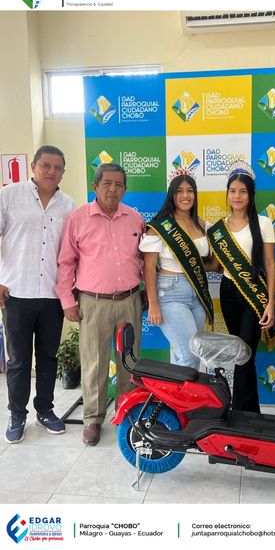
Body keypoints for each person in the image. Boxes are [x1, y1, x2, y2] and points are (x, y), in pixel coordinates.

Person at [55, 163, 144, 446]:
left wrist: (145, 292)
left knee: (129, 361)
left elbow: (142, 259)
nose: (113, 189)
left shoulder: (135, 218)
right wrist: (67, 302)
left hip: (130, 300)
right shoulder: (78, 218)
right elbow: (65, 263)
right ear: (95, 186)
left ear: (125, 189)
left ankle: (125, 413)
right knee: (94, 362)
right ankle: (93, 419)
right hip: (93, 303)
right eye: (107, 183)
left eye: (119, 184)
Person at [1, 145, 76, 444]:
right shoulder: (9, 196)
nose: (51, 171)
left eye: (58, 168)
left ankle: (45, 410)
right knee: (19, 360)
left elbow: (70, 252)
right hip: (16, 292)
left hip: (52, 295)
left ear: (63, 173)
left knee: (48, 357)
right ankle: (17, 414)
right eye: (46, 165)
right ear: (34, 166)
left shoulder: (68, 206)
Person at [207, 161, 275, 413]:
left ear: (251, 195)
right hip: (228, 291)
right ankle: (250, 412)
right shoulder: (219, 228)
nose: (237, 196)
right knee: (240, 353)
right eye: (233, 191)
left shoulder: (263, 223)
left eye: (243, 191)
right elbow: (216, 265)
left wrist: (271, 302)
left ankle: (241, 413)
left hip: (254, 293)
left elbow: (269, 265)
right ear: (227, 194)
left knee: (244, 354)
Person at [140, 169, 214, 369]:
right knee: (189, 356)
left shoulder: (201, 224)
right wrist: (153, 304)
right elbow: (149, 267)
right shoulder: (160, 227)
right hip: (171, 292)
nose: (185, 196)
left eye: (190, 190)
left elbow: (207, 262)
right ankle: (181, 391)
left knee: (191, 355)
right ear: (172, 195)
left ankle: (181, 391)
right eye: (179, 191)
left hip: (197, 293)